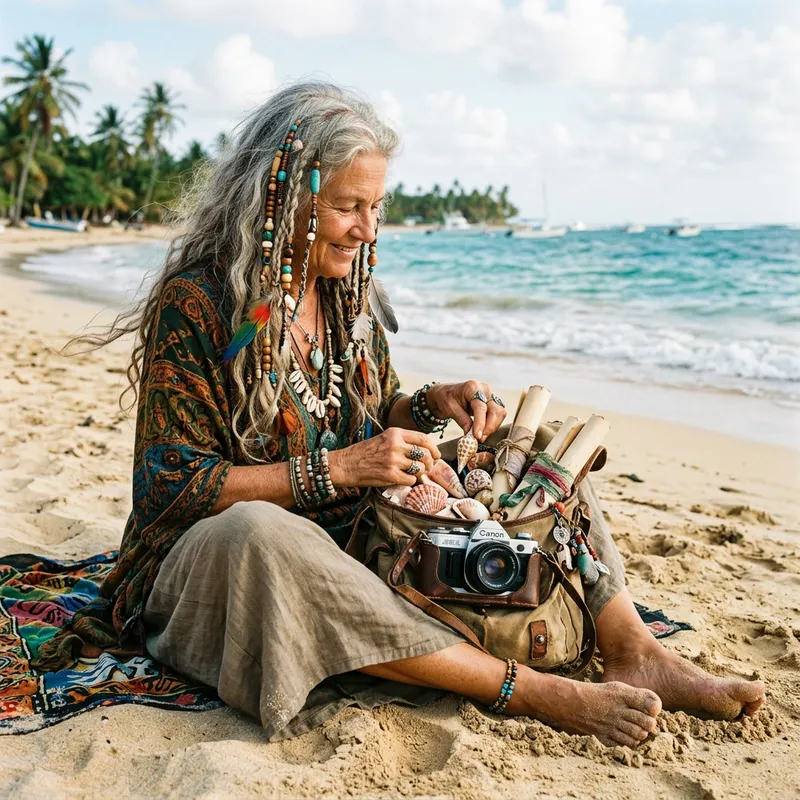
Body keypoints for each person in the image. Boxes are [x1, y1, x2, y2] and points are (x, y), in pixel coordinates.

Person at [38, 81, 765, 745]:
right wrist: (334, 470)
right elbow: (171, 485)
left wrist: (429, 404)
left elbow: (367, 406)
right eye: (347, 207)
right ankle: (523, 690)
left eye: (375, 207)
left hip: (352, 533)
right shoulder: (198, 306)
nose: (366, 229)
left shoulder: (343, 293)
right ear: (282, 198)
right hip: (210, 563)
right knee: (256, 530)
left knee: (539, 448)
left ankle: (635, 649)